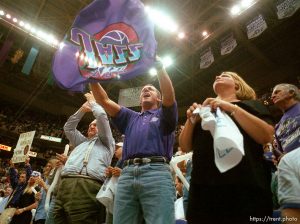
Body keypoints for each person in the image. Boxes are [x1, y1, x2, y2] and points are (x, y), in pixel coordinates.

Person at [179, 71, 274, 224]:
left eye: (225, 75)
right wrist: (191, 120)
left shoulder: (251, 105)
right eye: (217, 76)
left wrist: (231, 108)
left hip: (245, 185)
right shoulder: (204, 113)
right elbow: (185, 146)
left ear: (237, 84)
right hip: (204, 188)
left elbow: (266, 136)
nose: (218, 76)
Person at [90, 59, 177, 224]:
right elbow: (104, 101)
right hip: (127, 174)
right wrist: (91, 77)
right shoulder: (131, 117)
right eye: (143, 90)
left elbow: (169, 96)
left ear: (159, 99)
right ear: (139, 101)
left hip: (156, 172)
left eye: (150, 89)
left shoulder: (164, 114)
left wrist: (159, 67)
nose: (145, 89)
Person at [52, 91, 114, 224]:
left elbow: (102, 116)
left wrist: (93, 102)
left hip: (87, 185)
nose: (92, 125)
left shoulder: (107, 141)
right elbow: (68, 128)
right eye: (91, 124)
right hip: (64, 185)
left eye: (95, 125)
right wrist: (82, 110)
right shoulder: (81, 142)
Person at [271, 83, 300, 223]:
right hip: (293, 170)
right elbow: (280, 153)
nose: (273, 95)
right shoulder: (277, 126)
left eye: (277, 91)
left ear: (291, 92)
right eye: (272, 93)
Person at [33, 159, 57, 224]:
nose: (47, 168)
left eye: (50, 166)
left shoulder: (55, 181)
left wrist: (43, 185)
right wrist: (37, 198)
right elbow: (42, 199)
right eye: (47, 166)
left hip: (45, 216)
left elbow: (54, 197)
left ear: (54, 169)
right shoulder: (45, 180)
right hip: (38, 214)